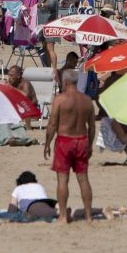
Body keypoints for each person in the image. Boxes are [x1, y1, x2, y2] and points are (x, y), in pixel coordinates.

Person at [45, 67, 95, 224]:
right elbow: (92, 126)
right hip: (82, 140)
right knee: (83, 179)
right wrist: (90, 145)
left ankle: (63, 216)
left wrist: (47, 143)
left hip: (65, 141)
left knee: (62, 180)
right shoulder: (87, 100)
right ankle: (88, 216)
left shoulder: (60, 99)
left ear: (65, 81)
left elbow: (52, 124)